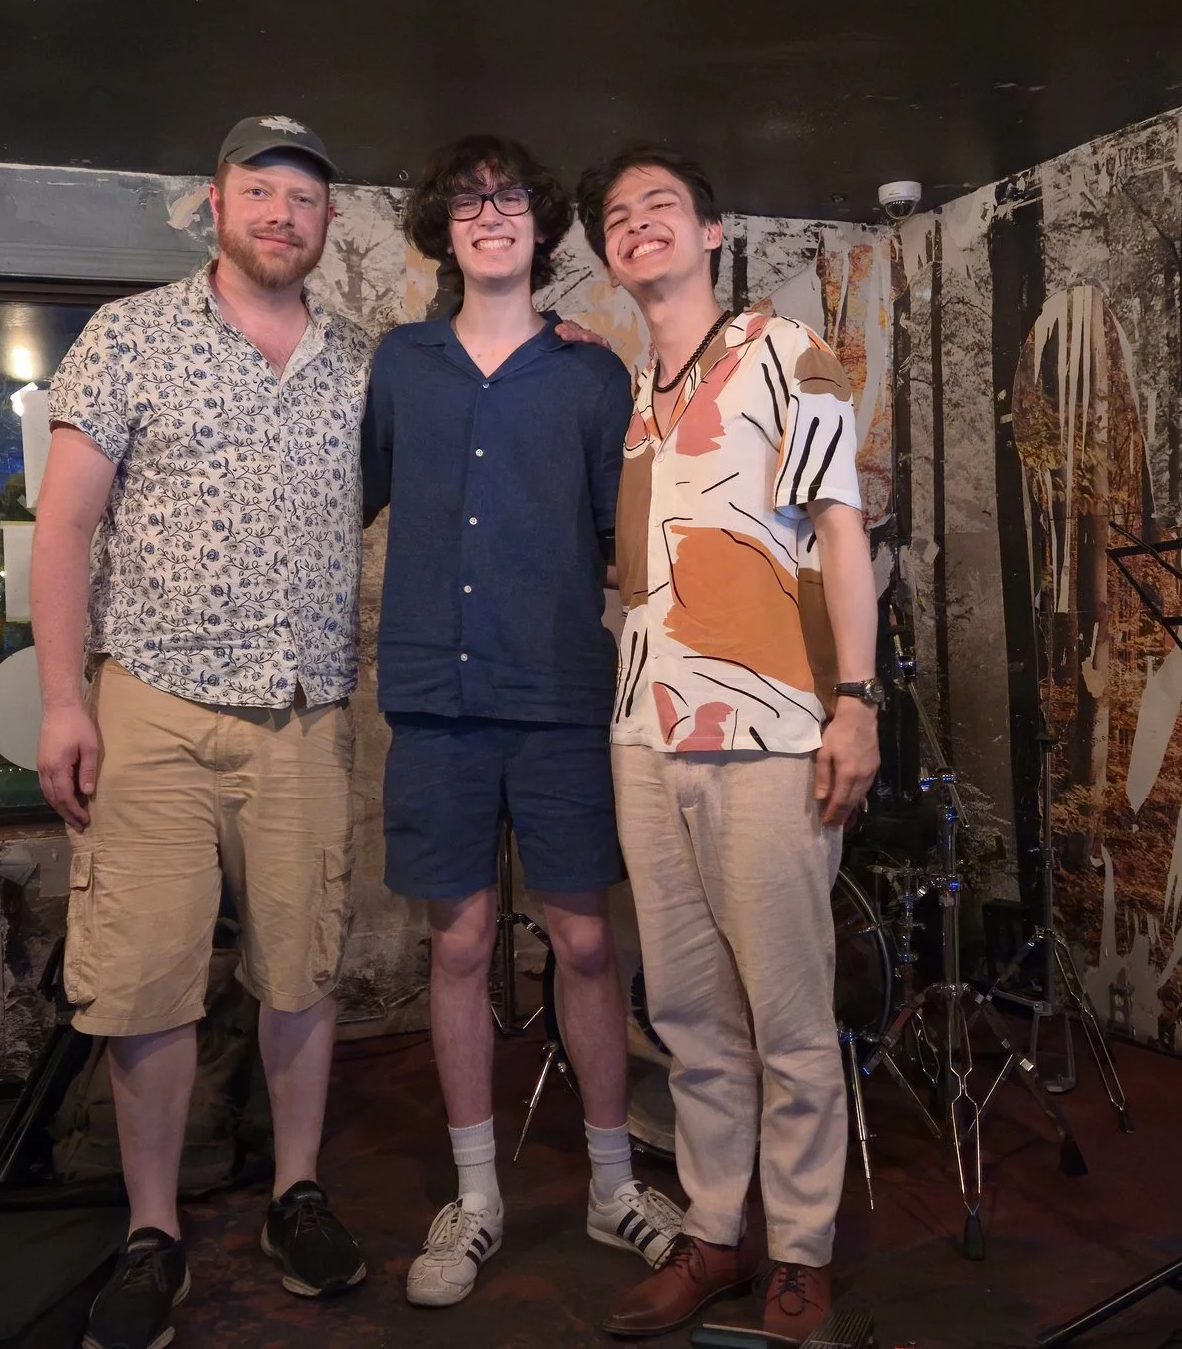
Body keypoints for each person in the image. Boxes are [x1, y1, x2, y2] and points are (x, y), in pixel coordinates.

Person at [33, 115, 373, 1349]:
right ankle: (152, 1231)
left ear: (326, 220)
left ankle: (297, 1193)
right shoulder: (130, 336)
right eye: (259, 189)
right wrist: (63, 700)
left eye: (304, 197)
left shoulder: (360, 364)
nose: (282, 213)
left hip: (302, 711)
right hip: (154, 707)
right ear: (214, 205)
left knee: (301, 968)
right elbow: (65, 528)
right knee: (147, 983)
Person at [361, 134, 687, 1309]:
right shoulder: (399, 365)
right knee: (457, 947)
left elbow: (623, 541)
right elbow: (346, 501)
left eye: (509, 199)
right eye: (468, 200)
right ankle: (477, 1196)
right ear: (441, 229)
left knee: (587, 946)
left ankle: (610, 1185)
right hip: (436, 700)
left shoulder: (591, 375)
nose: (490, 215)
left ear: (541, 226)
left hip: (558, 698)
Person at [575, 145, 880, 1346]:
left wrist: (854, 699)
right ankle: (715, 1232)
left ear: (712, 231)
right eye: (616, 216)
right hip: (644, 732)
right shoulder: (631, 398)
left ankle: (800, 1252)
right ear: (608, 256)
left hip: (769, 727)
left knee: (789, 1019)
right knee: (690, 1016)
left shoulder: (782, 348)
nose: (637, 224)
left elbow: (840, 529)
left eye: (661, 205)